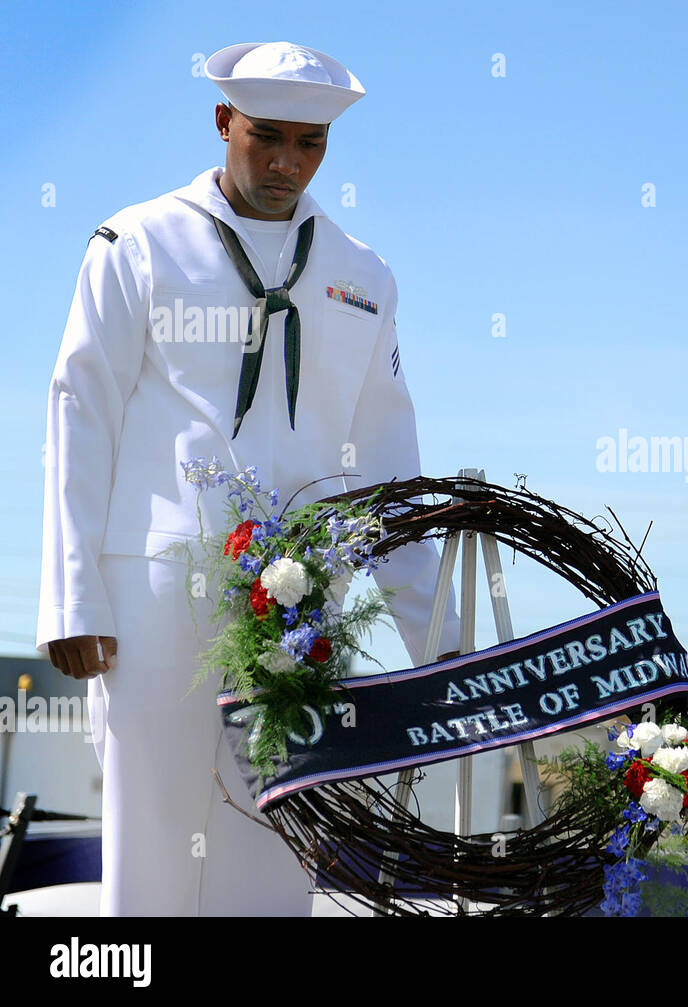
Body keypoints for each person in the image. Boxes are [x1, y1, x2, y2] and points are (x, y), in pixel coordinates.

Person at [36, 41, 461, 916]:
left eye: (310, 144)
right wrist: (72, 599)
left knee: (274, 854)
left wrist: (440, 644)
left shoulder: (364, 277)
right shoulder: (136, 243)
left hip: (299, 616)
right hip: (150, 603)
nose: (285, 163)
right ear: (223, 121)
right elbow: (81, 410)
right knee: (148, 853)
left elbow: (387, 462)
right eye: (266, 136)